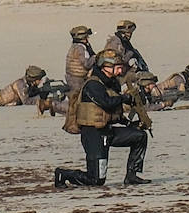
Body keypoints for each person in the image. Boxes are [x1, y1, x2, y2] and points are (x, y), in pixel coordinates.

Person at [54, 51, 152, 188]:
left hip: (108, 130)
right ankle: (63, 174)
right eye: (117, 67)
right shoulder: (93, 85)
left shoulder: (112, 84)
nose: (120, 71)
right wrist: (124, 98)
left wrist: (130, 123)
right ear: (105, 66)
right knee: (96, 180)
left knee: (140, 136)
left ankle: (132, 175)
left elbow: (112, 112)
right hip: (93, 134)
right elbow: (106, 103)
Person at [65, 26, 95, 96]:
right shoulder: (81, 48)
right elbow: (87, 64)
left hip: (72, 77)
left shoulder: (74, 46)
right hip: (78, 79)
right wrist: (95, 58)